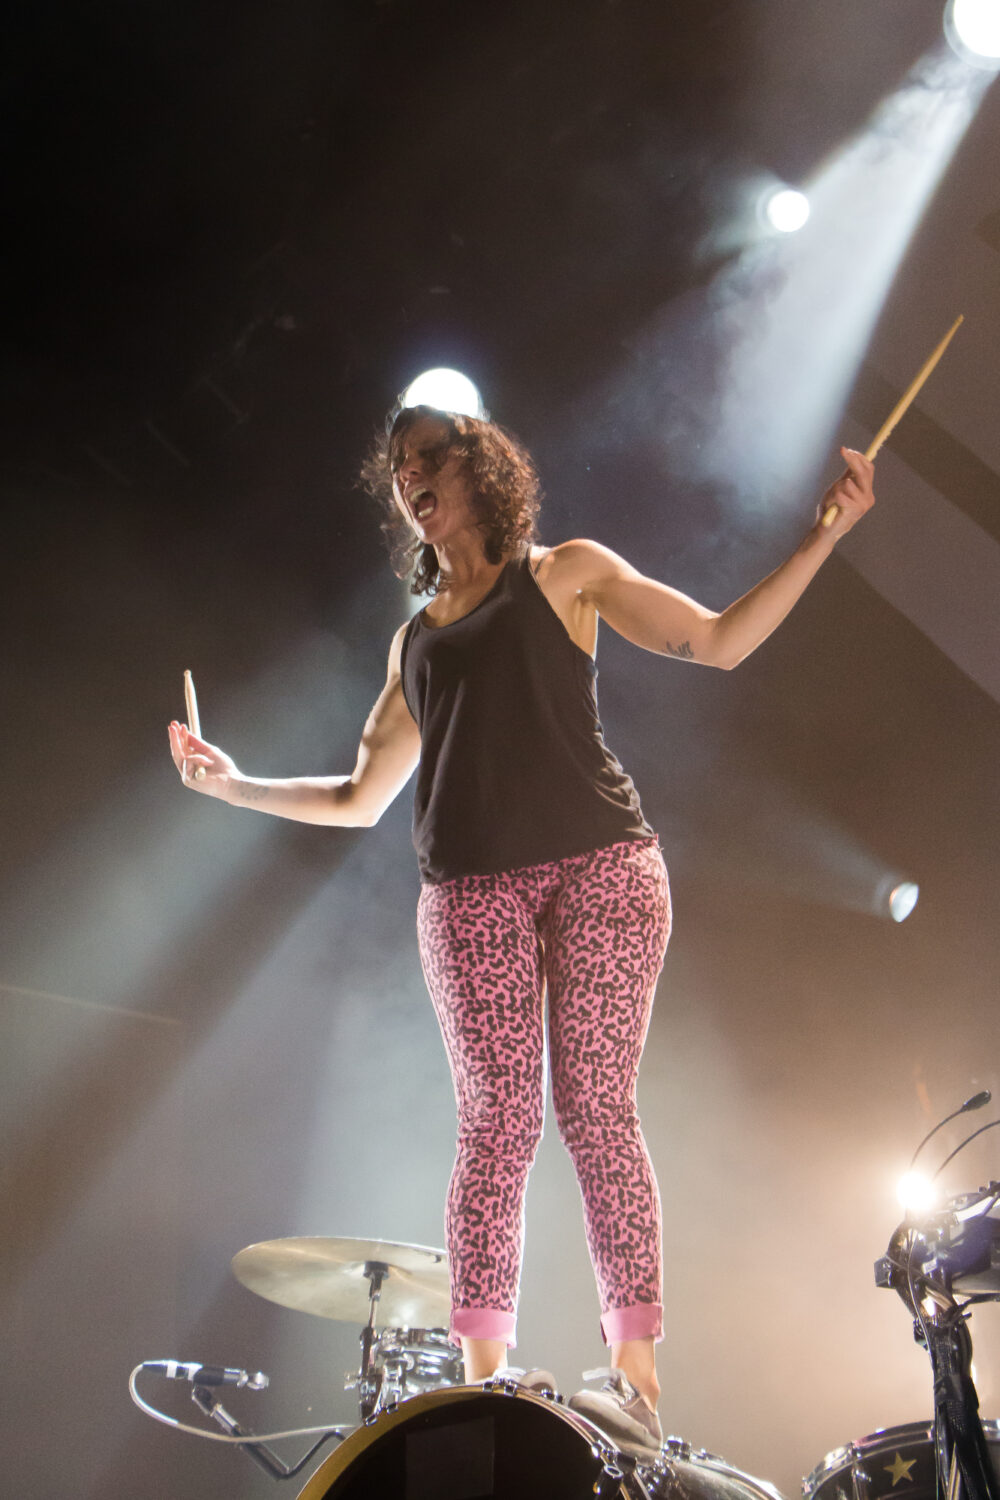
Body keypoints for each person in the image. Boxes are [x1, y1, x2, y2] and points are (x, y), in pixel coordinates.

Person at [168, 403, 874, 1458]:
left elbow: (719, 641)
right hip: (469, 895)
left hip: (603, 869)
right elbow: (359, 796)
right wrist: (233, 788)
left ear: (478, 469)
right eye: (398, 465)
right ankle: (484, 1379)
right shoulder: (415, 642)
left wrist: (823, 536)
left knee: (596, 1109)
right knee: (496, 1124)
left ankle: (636, 1381)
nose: (410, 474)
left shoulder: (564, 573)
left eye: (428, 456)